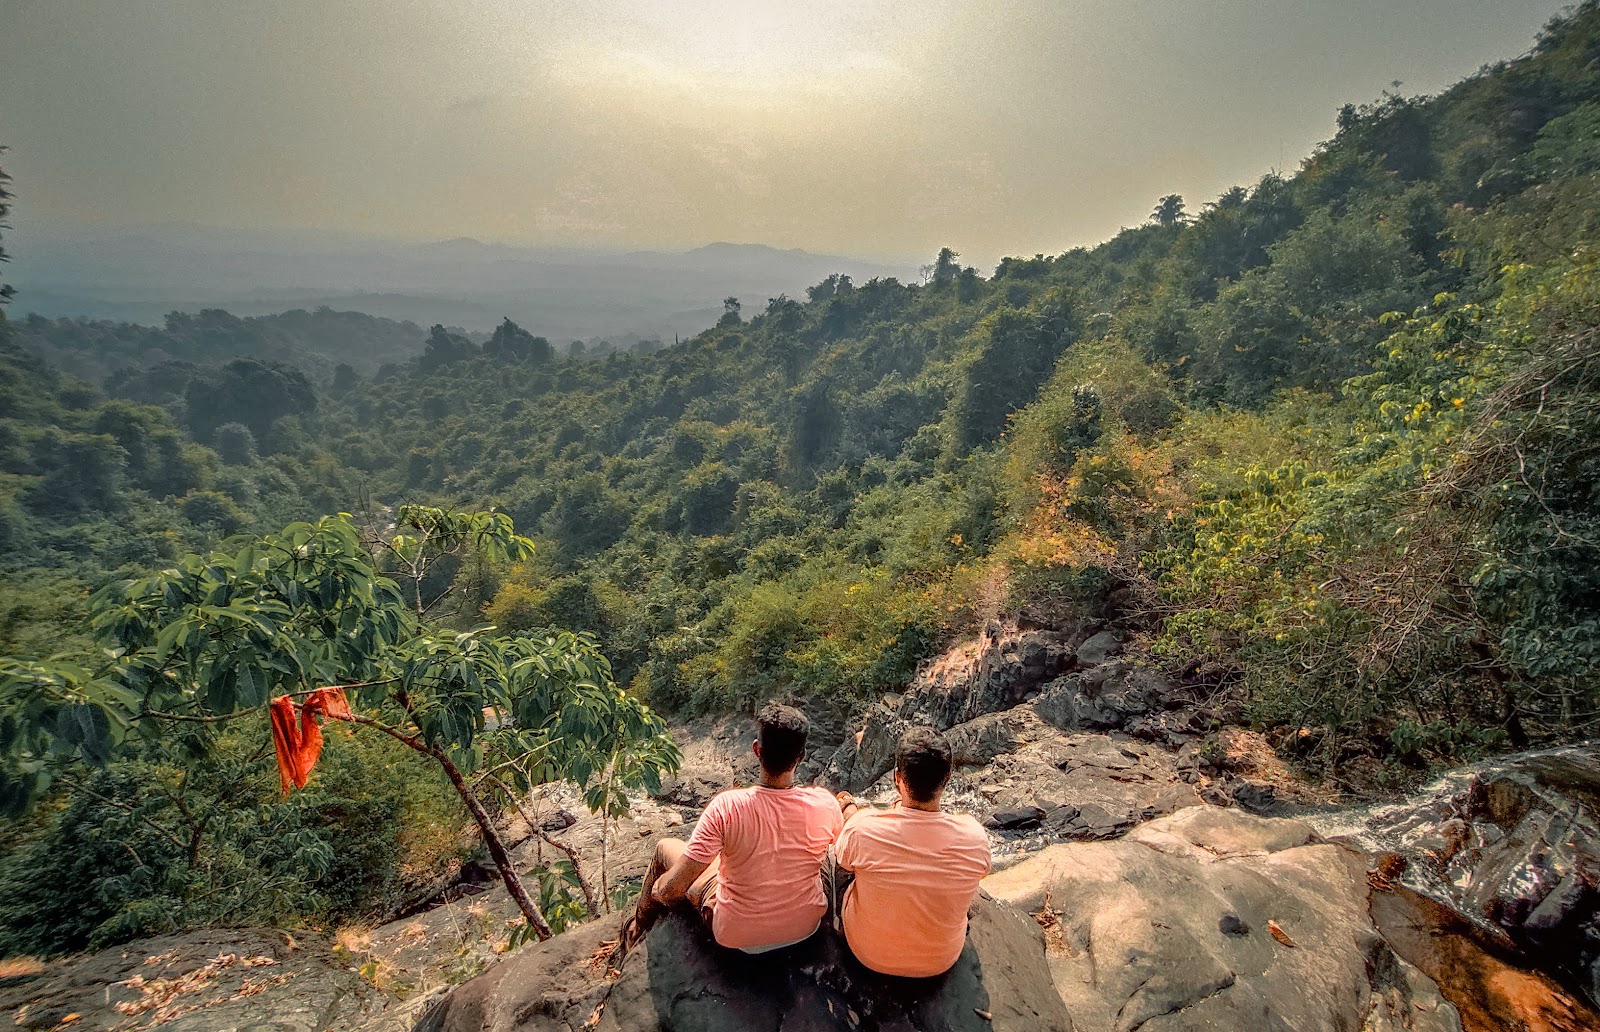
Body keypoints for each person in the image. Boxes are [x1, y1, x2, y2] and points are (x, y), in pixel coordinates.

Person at [621, 702, 843, 955]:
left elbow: (674, 890)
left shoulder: (727, 807)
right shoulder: (825, 804)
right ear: (801, 756)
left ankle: (636, 929)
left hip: (737, 936)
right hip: (805, 928)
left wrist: (661, 891)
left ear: (756, 750)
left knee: (664, 848)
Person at [833, 726, 991, 978]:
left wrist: (849, 810)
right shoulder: (974, 837)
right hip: (940, 961)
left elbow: (844, 860)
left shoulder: (862, 828)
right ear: (948, 777)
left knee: (839, 862)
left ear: (897, 778)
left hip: (867, 955)